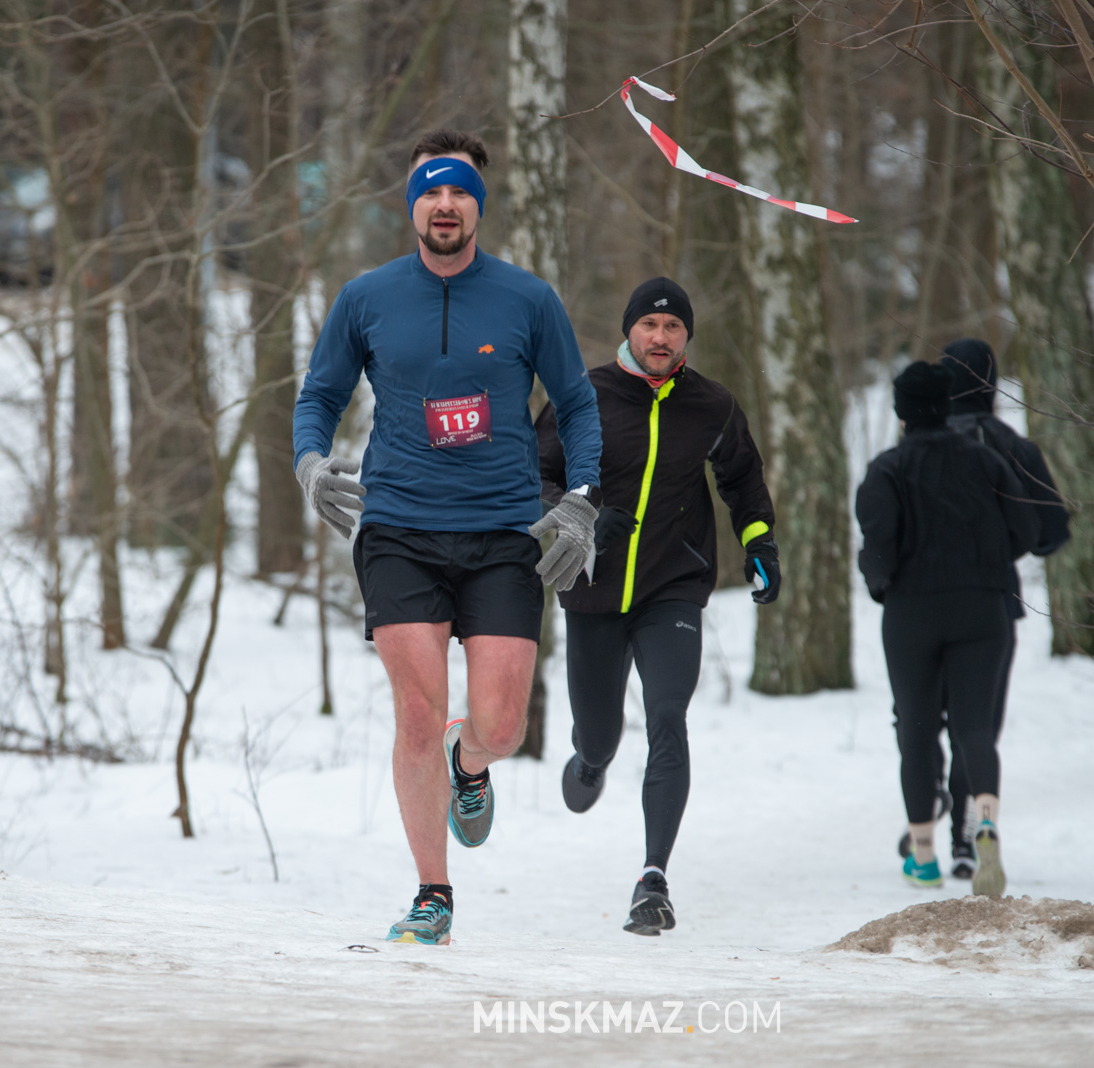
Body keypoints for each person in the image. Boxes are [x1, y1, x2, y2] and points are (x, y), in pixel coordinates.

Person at [291, 129, 602, 945]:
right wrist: (310, 463)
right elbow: (319, 394)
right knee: (417, 715)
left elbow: (577, 403)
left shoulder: (528, 299)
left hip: (502, 531)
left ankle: (471, 766)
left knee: (501, 728)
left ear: (478, 207)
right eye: (430, 191)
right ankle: (434, 893)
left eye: (460, 191)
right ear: (412, 206)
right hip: (399, 528)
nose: (445, 204)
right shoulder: (366, 298)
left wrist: (580, 500)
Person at [535, 277, 779, 936]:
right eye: (649, 325)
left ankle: (653, 880)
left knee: (668, 714)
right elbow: (534, 474)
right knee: (599, 735)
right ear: (630, 330)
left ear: (687, 336)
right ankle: (591, 760)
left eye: (673, 327)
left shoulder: (712, 405)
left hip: (675, 582)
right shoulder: (582, 395)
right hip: (593, 586)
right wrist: (580, 518)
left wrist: (760, 542)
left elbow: (742, 480)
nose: (661, 337)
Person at [856, 360, 1038, 896]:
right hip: (982, 607)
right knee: (974, 728)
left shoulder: (887, 469)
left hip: (912, 612)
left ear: (901, 412)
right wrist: (986, 562)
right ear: (946, 405)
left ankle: (923, 857)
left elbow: (878, 544)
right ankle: (985, 823)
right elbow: (1026, 529)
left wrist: (882, 585)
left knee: (916, 729)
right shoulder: (985, 460)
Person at [895, 338, 1071, 877]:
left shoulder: (914, 444)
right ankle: (968, 830)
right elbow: (1049, 532)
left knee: (917, 717)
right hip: (991, 601)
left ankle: (927, 804)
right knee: (976, 723)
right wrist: (997, 551)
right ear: (991, 383)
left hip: (915, 604)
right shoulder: (1010, 447)